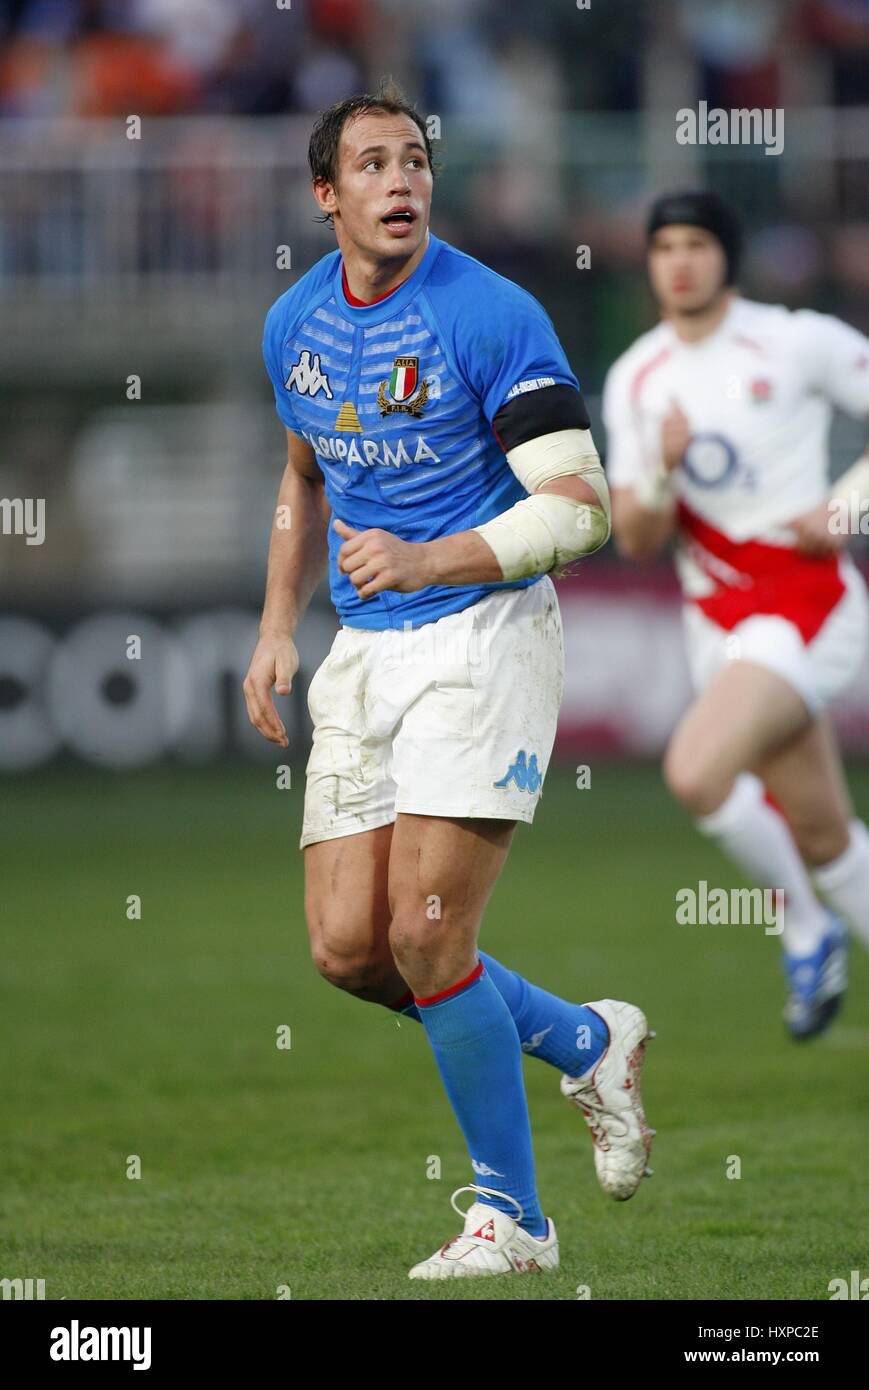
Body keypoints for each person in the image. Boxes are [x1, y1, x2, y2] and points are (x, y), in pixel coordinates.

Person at [243, 80, 655, 1279]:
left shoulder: (491, 313)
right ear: (326, 196)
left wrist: (427, 554)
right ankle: (583, 1037)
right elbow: (302, 476)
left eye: (414, 160)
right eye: (370, 166)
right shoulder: (292, 326)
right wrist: (278, 622)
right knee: (350, 951)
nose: (400, 182)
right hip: (364, 650)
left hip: (483, 632)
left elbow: (580, 511)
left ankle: (511, 1219)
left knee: (429, 933)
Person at [603, 189, 869, 1039]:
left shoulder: (791, 340)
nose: (679, 260)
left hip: (804, 603)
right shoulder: (635, 377)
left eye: (696, 244)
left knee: (695, 771)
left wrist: (847, 506)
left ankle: (804, 928)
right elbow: (637, 538)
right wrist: (658, 472)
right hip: (715, 626)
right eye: (664, 246)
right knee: (826, 837)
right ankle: (822, 916)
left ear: (726, 256)